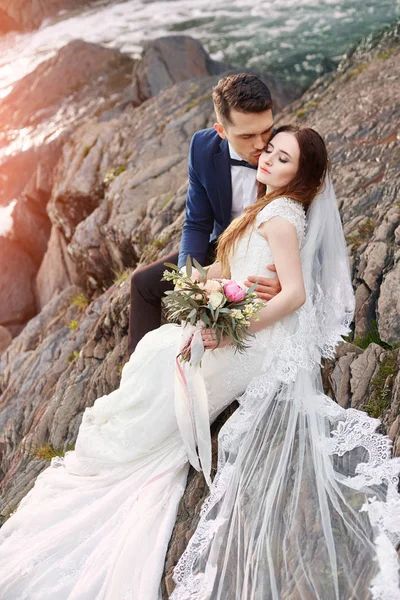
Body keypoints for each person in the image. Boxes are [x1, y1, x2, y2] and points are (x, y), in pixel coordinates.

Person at [1, 126, 399, 600]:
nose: (269, 158)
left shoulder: (281, 216)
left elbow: (295, 294)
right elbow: (241, 269)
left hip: (256, 342)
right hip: (238, 318)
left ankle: (132, 441)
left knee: (165, 364)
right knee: (159, 353)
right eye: (270, 149)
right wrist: (201, 284)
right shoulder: (267, 206)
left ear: (302, 175)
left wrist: (230, 329)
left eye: (283, 158)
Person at [127, 73, 281, 356]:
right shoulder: (202, 147)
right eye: (247, 136)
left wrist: (283, 276)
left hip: (268, 256)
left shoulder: (286, 151)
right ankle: (138, 373)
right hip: (222, 245)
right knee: (142, 284)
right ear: (221, 131)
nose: (261, 144)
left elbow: (303, 222)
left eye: (266, 131)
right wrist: (189, 278)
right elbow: (197, 222)